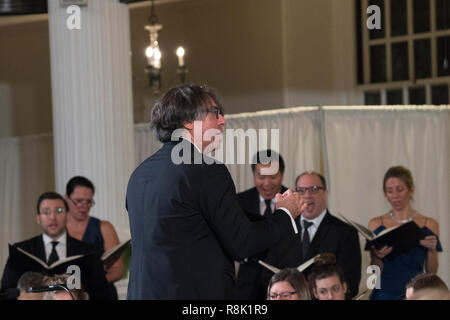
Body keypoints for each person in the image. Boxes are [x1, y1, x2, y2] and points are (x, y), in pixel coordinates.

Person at [125, 83, 305, 299]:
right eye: (215, 113)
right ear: (189, 121)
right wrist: (285, 213)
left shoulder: (139, 174)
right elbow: (243, 244)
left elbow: (194, 227)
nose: (223, 121)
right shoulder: (206, 169)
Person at [262, 171, 361, 299]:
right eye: (301, 190)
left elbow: (351, 284)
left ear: (325, 194)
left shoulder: (345, 233)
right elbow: (266, 276)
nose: (307, 195)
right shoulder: (281, 229)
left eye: (314, 189)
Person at [0, 192, 112, 300]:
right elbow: (6, 292)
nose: (53, 217)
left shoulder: (88, 252)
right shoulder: (21, 250)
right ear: (38, 218)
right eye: (46, 212)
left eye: (59, 211)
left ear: (67, 215)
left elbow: (102, 293)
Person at [368, 166, 442, 300]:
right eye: (389, 191)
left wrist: (432, 250)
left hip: (415, 293)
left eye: (400, 190)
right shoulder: (376, 224)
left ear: (411, 190)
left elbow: (432, 272)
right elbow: (373, 274)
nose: (395, 195)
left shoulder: (429, 224)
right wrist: (377, 256)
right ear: (385, 194)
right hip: (384, 294)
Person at [235, 149, 288, 300]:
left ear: (282, 175)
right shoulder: (239, 202)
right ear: (253, 175)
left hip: (284, 285)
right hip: (247, 285)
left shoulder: (293, 200)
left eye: (273, 176)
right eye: (261, 176)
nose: (267, 183)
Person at [65, 176, 123, 299]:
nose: (84, 206)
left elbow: (118, 270)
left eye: (88, 201)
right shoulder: (58, 229)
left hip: (101, 294)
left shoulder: (104, 227)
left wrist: (90, 284)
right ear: (66, 198)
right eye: (78, 201)